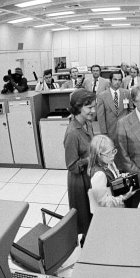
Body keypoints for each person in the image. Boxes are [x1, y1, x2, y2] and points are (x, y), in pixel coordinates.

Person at [64, 89, 95, 240]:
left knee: (92, 212)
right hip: (79, 181)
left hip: (89, 176)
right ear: (78, 107)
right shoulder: (72, 132)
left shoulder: (87, 123)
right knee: (84, 215)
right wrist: (91, 158)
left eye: (94, 106)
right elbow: (72, 166)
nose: (93, 111)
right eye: (89, 107)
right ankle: (86, 242)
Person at [87, 135, 136, 212]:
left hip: (115, 206)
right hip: (107, 212)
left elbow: (113, 177)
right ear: (98, 154)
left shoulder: (109, 163)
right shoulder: (99, 174)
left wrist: (120, 177)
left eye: (113, 151)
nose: (113, 156)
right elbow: (103, 202)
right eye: (108, 153)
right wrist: (124, 197)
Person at [96, 71, 133, 146]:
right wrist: (104, 132)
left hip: (125, 130)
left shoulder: (126, 93)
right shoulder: (102, 96)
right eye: (115, 79)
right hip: (110, 130)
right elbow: (101, 116)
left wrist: (130, 126)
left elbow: (131, 110)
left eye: (119, 80)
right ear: (110, 81)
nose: (117, 82)